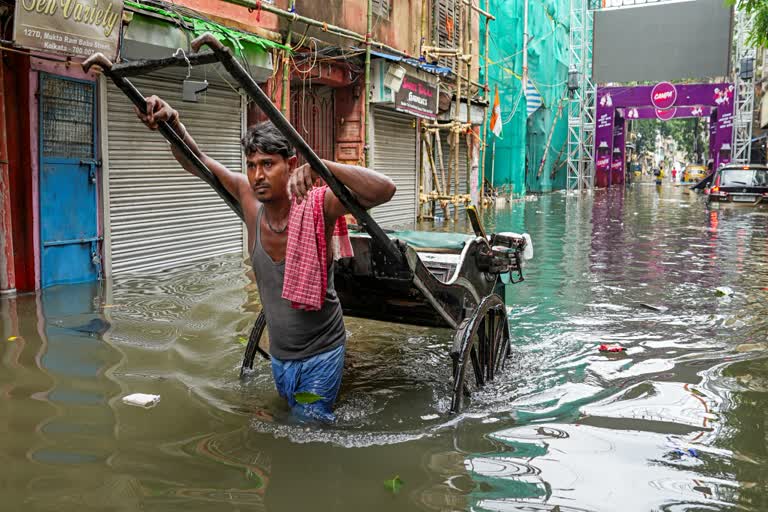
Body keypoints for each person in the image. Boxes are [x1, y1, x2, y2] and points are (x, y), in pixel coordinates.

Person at [135, 96, 396, 421]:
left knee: (305, 432)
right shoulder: (248, 199)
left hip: (322, 353)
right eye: (251, 165)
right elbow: (197, 161)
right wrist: (172, 124)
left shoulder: (318, 205)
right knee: (289, 422)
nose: (258, 175)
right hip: (280, 357)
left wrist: (322, 166)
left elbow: (384, 190)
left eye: (268, 164)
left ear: (290, 163)